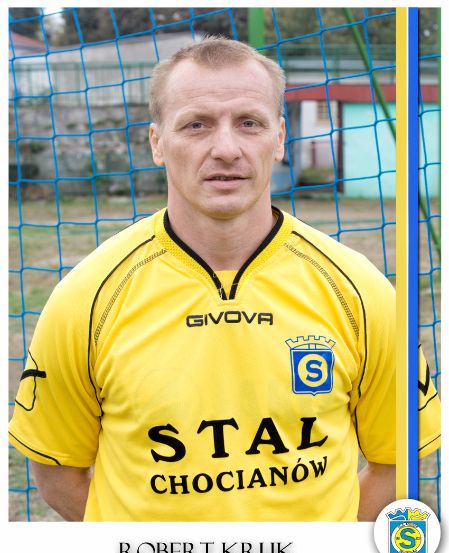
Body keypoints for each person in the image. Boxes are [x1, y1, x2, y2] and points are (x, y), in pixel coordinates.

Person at [9, 37, 440, 522]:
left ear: (280, 138)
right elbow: (58, 473)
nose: (226, 149)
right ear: (157, 142)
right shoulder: (86, 298)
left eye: (249, 123)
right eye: (196, 125)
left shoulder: (359, 291)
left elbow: (396, 459)